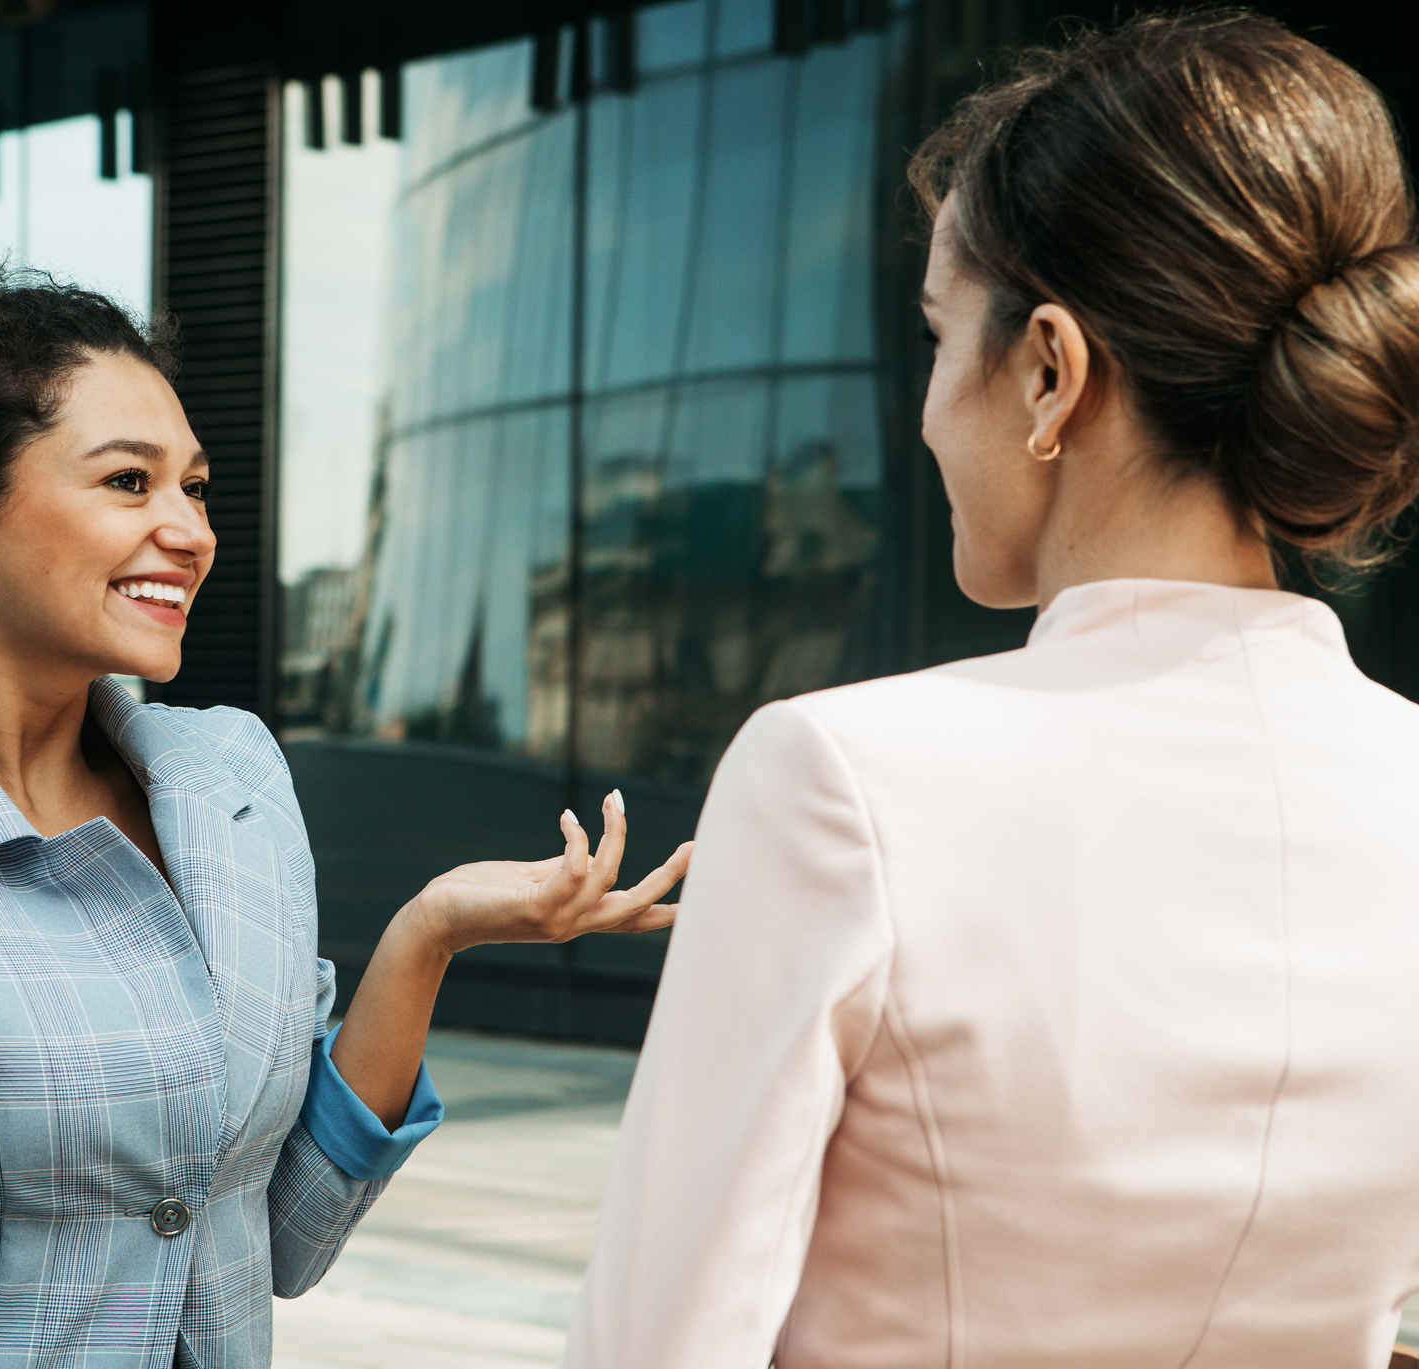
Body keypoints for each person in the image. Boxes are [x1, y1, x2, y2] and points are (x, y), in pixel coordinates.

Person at [563, 12, 1419, 1368]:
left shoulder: (838, 779)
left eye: (937, 333)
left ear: (1046, 371)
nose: (922, 412)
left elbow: (657, 1343)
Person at [0, 274, 689, 1369]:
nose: (188, 530)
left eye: (194, 487)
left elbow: (282, 1234)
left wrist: (428, 934)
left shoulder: (228, 775)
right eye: (129, 482)